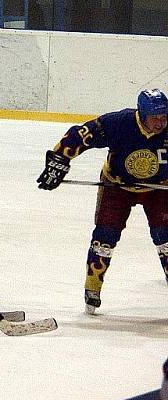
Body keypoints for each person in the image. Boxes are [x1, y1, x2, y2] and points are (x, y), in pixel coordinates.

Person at [37, 89, 168, 315]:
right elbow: (80, 134)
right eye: (155, 117)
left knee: (166, 237)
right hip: (116, 186)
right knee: (104, 237)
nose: (160, 122)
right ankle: (93, 288)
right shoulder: (120, 123)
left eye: (164, 116)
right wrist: (59, 160)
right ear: (141, 114)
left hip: (160, 188)